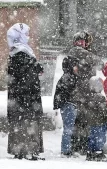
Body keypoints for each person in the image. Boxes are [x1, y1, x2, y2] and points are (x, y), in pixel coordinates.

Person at [6, 23, 44, 160]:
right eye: (26, 34)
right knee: (28, 123)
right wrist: (34, 69)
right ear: (19, 36)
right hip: (26, 98)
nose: (28, 36)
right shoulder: (21, 53)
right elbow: (25, 78)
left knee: (20, 123)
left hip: (19, 98)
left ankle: (21, 150)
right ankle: (28, 151)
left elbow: (20, 75)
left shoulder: (18, 52)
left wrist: (35, 68)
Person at [70, 31, 104, 155]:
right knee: (79, 120)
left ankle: (83, 144)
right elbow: (97, 61)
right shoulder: (76, 51)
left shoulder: (85, 53)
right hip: (78, 93)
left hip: (86, 92)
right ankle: (77, 145)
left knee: (85, 120)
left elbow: (98, 64)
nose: (86, 44)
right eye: (85, 41)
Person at [85, 77, 107, 162]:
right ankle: (98, 153)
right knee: (100, 138)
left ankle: (90, 153)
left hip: (91, 122)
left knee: (92, 138)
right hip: (99, 122)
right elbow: (104, 110)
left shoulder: (88, 96)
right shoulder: (100, 97)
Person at [53, 55, 79, 157]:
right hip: (68, 105)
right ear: (70, 66)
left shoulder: (67, 76)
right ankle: (65, 150)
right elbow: (72, 92)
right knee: (68, 128)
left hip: (67, 105)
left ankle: (67, 148)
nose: (77, 68)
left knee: (69, 128)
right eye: (75, 65)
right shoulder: (69, 77)